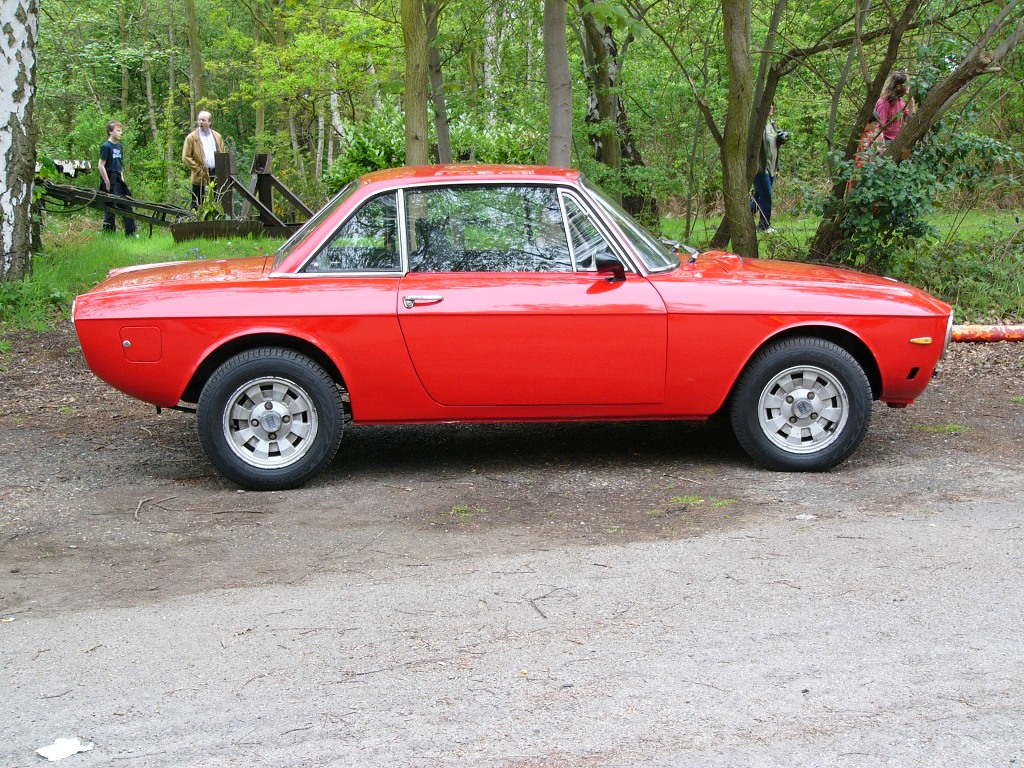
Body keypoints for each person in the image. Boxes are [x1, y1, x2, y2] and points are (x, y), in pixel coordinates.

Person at [751, 104, 789, 233]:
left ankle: (743, 219)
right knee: (766, 197)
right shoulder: (757, 126)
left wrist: (781, 139)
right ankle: (764, 226)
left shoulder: (771, 125)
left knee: (758, 197)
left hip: (772, 167)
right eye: (769, 105)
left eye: (773, 106)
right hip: (760, 168)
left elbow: (772, 144)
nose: (771, 107)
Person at [98, 120, 137, 236]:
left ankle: (130, 233)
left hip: (118, 178)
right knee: (110, 207)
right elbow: (101, 165)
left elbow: (120, 165)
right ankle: (109, 233)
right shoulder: (106, 146)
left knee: (126, 205)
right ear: (110, 132)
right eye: (118, 131)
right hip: (109, 177)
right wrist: (107, 181)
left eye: (121, 131)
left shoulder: (119, 146)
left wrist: (122, 179)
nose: (120, 133)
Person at [181, 110, 226, 210]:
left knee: (216, 201)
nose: (201, 122)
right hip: (200, 175)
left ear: (209, 122)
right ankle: (195, 223)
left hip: (216, 173)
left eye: (203, 120)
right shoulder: (191, 138)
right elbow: (186, 157)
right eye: (199, 120)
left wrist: (222, 170)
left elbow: (223, 153)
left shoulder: (217, 137)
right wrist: (197, 170)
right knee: (197, 203)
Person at [874, 71, 916, 143]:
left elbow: (911, 120)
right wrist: (882, 151)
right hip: (885, 142)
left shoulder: (901, 103)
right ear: (899, 86)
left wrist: (911, 101)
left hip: (897, 141)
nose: (908, 87)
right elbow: (878, 130)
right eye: (907, 85)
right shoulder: (883, 103)